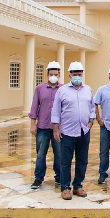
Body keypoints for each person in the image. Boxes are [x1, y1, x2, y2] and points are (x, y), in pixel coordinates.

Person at [52, 61, 95, 200]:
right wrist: (56, 129)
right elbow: (56, 111)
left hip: (83, 131)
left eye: (79, 73)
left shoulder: (88, 89)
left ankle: (77, 185)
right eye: (74, 74)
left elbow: (92, 108)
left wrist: (90, 122)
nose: (77, 76)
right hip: (67, 132)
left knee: (82, 160)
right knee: (65, 161)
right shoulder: (62, 90)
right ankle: (65, 187)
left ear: (82, 74)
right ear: (69, 75)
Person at [29, 61, 63, 189]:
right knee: (40, 154)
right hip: (43, 127)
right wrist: (33, 124)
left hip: (57, 128)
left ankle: (59, 177)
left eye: (55, 74)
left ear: (59, 75)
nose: (53, 76)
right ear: (47, 74)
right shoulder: (40, 88)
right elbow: (34, 107)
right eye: (51, 74)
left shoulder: (63, 89)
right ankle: (38, 178)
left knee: (59, 154)